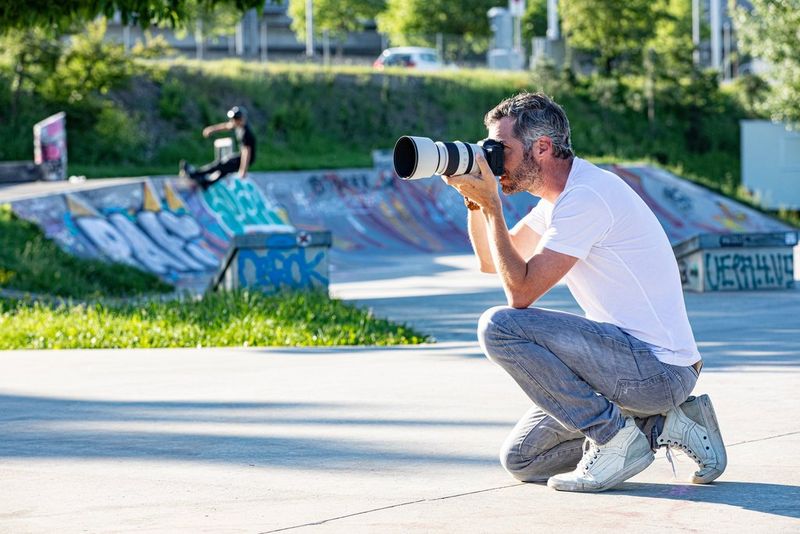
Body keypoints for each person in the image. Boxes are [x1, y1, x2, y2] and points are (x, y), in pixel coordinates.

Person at [441, 92, 727, 493]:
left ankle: (615, 437)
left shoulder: (586, 197)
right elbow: (492, 261)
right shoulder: (560, 200)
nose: (493, 160)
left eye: (500, 149)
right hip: (625, 367)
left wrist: (494, 207)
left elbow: (520, 294)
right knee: (523, 460)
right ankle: (665, 423)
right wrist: (476, 202)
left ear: (541, 148)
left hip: (656, 370)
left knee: (500, 326)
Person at [180, 105, 257, 188]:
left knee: (220, 164)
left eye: (234, 119)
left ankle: (195, 174)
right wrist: (211, 129)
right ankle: (206, 183)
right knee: (224, 169)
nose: (232, 121)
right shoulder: (239, 124)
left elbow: (246, 152)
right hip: (243, 157)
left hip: (245, 159)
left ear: (239, 119)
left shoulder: (245, 133)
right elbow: (226, 126)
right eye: (232, 119)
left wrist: (243, 170)